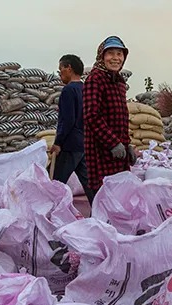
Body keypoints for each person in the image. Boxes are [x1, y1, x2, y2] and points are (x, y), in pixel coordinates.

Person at [83, 36, 134, 195]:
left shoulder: (119, 82)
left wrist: (127, 144)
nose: (115, 58)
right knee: (104, 197)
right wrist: (112, 143)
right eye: (110, 53)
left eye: (119, 54)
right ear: (101, 56)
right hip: (101, 151)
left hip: (119, 152)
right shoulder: (95, 79)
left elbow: (120, 118)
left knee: (119, 197)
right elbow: (91, 115)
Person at [49, 54, 94, 202]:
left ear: (69, 68)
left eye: (60, 69)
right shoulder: (86, 89)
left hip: (69, 145)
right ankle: (102, 210)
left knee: (54, 182)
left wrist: (58, 143)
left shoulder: (69, 90)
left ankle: (49, 214)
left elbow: (67, 120)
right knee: (89, 184)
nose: (60, 73)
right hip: (83, 144)